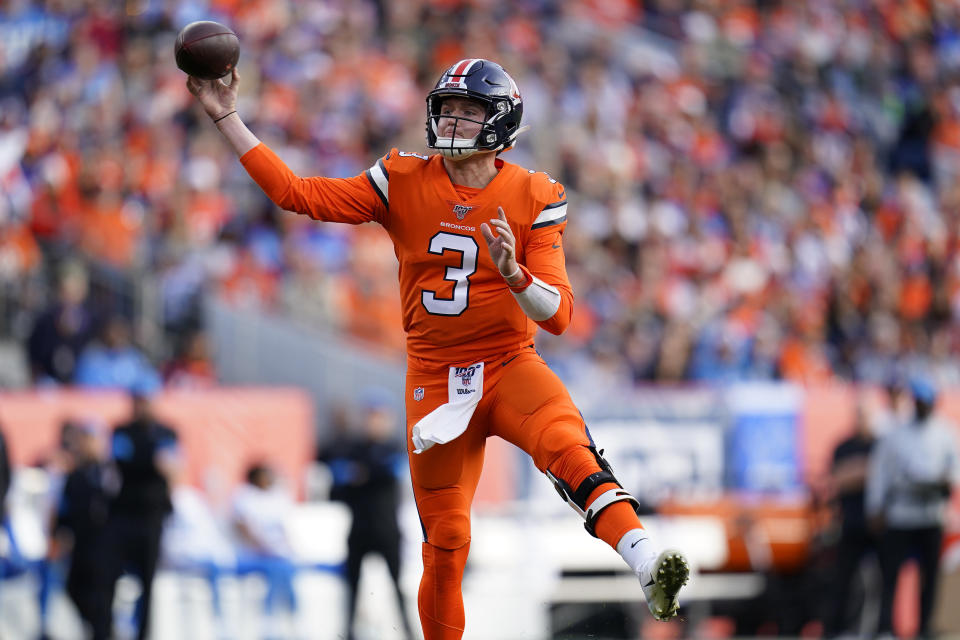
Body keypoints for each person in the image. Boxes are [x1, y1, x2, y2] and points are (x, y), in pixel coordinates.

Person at [186, 57, 689, 639]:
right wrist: (227, 118)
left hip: (509, 363)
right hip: (435, 379)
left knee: (566, 445)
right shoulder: (401, 178)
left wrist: (515, 275)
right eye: (446, 109)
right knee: (446, 542)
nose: (451, 121)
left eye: (467, 112)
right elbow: (298, 194)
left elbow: (561, 317)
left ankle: (648, 560)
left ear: (499, 122)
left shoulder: (533, 193)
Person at [866, 377, 960, 639]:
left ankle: (925, 627)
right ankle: (886, 626)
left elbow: (954, 470)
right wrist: (875, 507)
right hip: (901, 514)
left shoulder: (945, 432)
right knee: (891, 573)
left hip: (931, 513)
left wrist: (943, 482)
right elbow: (880, 473)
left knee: (930, 576)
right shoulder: (896, 434)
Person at [317, 390, 413, 640]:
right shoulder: (354, 448)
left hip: (388, 531)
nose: (374, 422)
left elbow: (389, 471)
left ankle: (410, 634)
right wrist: (360, 475)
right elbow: (335, 480)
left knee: (398, 588)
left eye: (379, 416)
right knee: (353, 589)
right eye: (370, 416)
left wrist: (361, 475)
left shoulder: (393, 448)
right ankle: (349, 634)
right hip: (359, 530)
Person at [104, 389, 180, 640]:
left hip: (152, 516)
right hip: (124, 514)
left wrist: (155, 464)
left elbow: (172, 466)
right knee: (110, 576)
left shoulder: (167, 432)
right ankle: (108, 630)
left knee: (148, 581)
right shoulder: (122, 431)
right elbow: (124, 463)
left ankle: (143, 633)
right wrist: (152, 461)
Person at [50, 422, 113, 640]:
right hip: (80, 545)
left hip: (104, 548)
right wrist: (58, 534)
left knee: (101, 601)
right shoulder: (75, 475)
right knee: (74, 588)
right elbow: (64, 510)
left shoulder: (108, 472)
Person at [823, 396, 879, 638]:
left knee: (875, 582)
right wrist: (866, 470)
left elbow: (883, 477)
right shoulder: (843, 446)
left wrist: (856, 472)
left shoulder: (881, 444)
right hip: (850, 523)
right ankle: (840, 629)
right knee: (844, 580)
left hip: (877, 524)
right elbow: (837, 480)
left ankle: (874, 629)